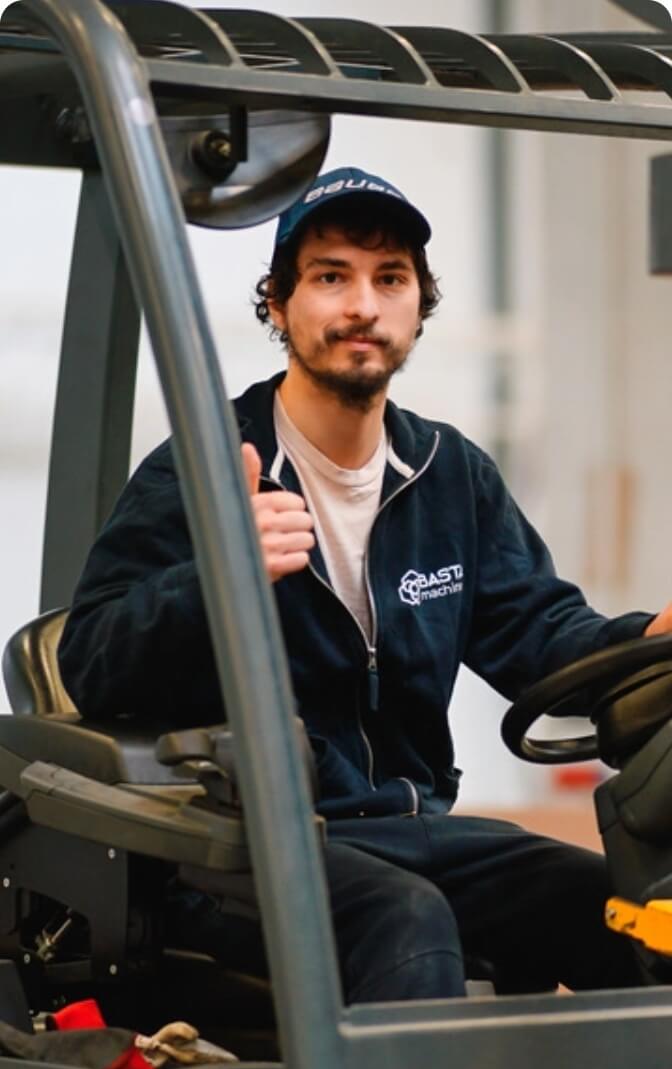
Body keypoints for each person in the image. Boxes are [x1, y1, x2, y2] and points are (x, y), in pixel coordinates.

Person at [58, 166, 672, 1001]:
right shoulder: (202, 471)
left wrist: (646, 641)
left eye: (390, 279)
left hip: (411, 823)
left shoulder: (448, 472)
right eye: (330, 277)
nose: (362, 306)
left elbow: (541, 637)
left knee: (622, 914)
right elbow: (89, 661)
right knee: (405, 918)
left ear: (419, 303)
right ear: (278, 303)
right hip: (240, 847)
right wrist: (215, 579)